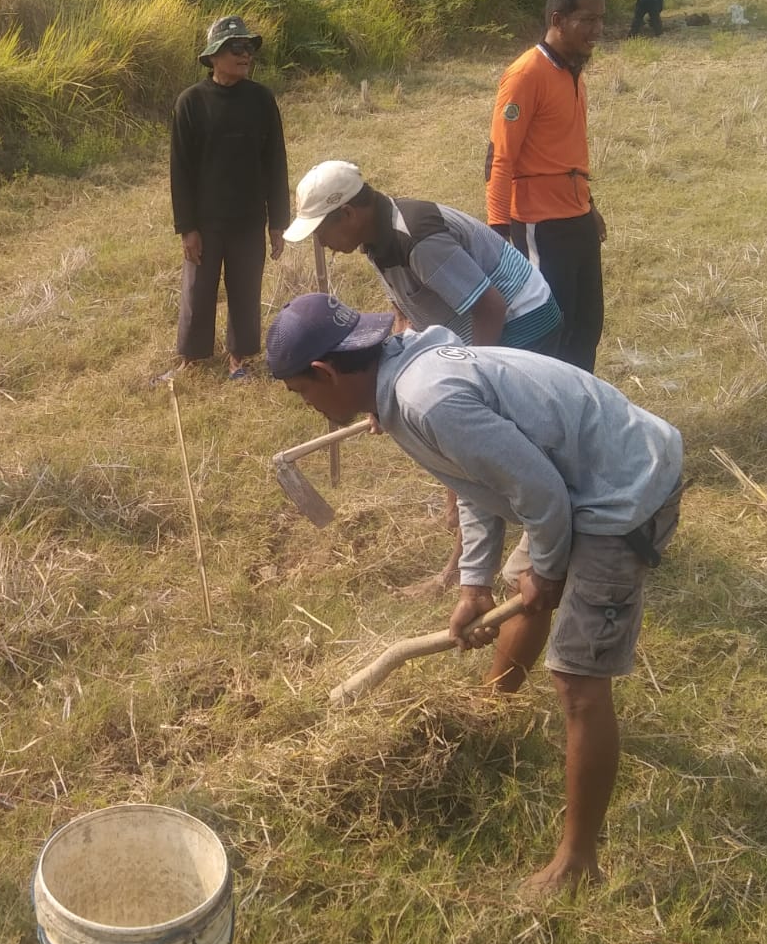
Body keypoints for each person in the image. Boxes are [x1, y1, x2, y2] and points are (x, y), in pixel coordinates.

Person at [266, 292, 683, 896]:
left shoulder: (426, 398)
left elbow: (539, 490)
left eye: (303, 394)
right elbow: (475, 482)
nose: (310, 408)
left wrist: (549, 570)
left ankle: (577, 864)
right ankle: (493, 710)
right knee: (527, 580)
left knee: (577, 680)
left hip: (623, 488)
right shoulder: (404, 389)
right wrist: (474, 584)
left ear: (327, 373)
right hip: (580, 479)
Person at [284, 159, 563, 589]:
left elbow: (491, 306)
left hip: (523, 320)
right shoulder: (376, 241)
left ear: (348, 214)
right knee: (453, 437)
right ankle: (464, 569)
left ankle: (542, 543)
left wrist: (477, 380)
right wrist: (381, 390)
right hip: (479, 325)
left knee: (478, 442)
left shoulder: (416, 240)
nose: (320, 241)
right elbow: (404, 314)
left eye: (321, 229)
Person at [485, 0, 609, 373]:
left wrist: (589, 206)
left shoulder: (574, 73)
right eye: (587, 21)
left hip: (577, 220)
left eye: (600, 20)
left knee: (586, 327)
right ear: (557, 20)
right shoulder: (525, 75)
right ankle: (543, 422)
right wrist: (498, 234)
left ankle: (578, 415)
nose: (597, 31)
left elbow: (568, 153)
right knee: (548, 332)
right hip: (540, 226)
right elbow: (500, 159)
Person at [163, 15, 288, 383]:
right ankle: (192, 358)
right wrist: (187, 227)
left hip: (249, 218)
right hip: (206, 221)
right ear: (214, 55)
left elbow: (275, 162)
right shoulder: (191, 103)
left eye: (249, 48)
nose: (245, 55)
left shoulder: (261, 100)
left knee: (246, 287)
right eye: (237, 48)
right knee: (198, 290)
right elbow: (180, 171)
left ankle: (239, 359)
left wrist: (278, 222)